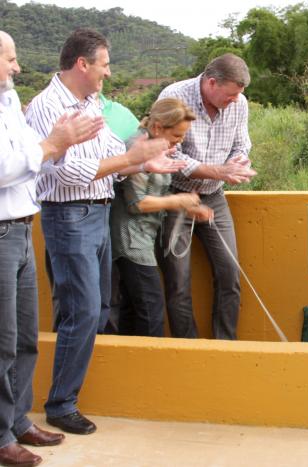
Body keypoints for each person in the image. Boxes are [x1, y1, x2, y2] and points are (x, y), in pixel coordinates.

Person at [24, 28, 180, 436]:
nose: (107, 74)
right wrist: (132, 158)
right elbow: (68, 171)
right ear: (83, 64)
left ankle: (63, 394)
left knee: (98, 309)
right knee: (83, 311)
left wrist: (143, 163)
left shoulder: (89, 102)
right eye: (105, 65)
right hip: (69, 216)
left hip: (97, 214)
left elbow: (114, 156)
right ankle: (60, 404)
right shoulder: (47, 106)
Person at [0, 30, 103, 466]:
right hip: (3, 232)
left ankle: (17, 420)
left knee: (25, 341)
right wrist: (51, 145)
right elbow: (19, 163)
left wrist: (45, 147)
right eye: (9, 58)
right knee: (3, 342)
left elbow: (28, 156)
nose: (17, 67)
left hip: (22, 229)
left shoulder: (8, 103)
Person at [158, 53, 257, 340]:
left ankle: (225, 345)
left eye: (239, 95)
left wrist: (239, 164)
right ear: (211, 83)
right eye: (230, 95)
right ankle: (187, 346)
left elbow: (242, 144)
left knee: (230, 273)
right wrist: (219, 171)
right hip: (176, 197)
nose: (235, 101)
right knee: (178, 281)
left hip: (214, 197)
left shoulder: (239, 103)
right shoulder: (175, 96)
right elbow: (169, 153)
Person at [111, 98, 210, 337]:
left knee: (133, 309)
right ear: (157, 128)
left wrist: (186, 207)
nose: (180, 141)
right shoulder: (137, 148)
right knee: (150, 309)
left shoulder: (158, 148)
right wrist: (178, 201)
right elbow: (138, 204)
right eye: (176, 135)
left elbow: (158, 193)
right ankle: (150, 366)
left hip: (143, 237)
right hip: (131, 241)